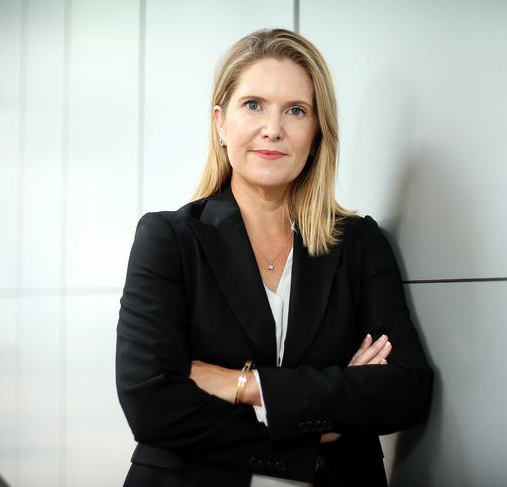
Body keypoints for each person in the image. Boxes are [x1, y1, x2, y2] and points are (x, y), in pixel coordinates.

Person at [116, 28, 433, 487]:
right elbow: (151, 405)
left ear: (317, 129)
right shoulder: (168, 238)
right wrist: (323, 422)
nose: (273, 128)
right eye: (253, 105)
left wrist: (243, 386)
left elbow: (406, 389)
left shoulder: (359, 244)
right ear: (221, 122)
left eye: (296, 110)